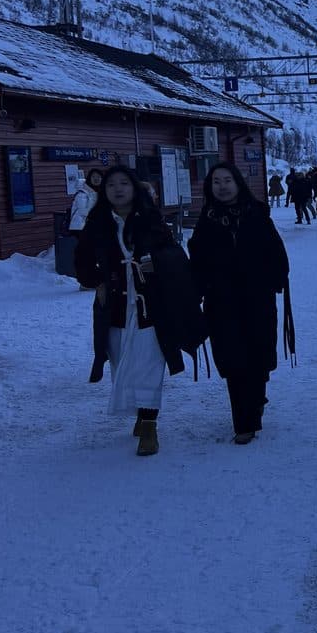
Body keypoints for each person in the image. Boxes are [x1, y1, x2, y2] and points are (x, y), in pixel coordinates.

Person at [74, 166, 204, 454]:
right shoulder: (97, 223)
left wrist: (155, 263)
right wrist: (97, 281)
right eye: (111, 186)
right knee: (122, 362)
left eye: (124, 184)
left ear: (134, 188)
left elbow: (173, 254)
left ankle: (149, 425)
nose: (118, 190)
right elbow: (81, 261)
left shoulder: (150, 219)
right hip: (117, 306)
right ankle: (139, 412)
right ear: (103, 192)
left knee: (148, 363)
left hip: (150, 304)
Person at [189, 161, 293, 446]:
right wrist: (198, 290)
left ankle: (257, 396)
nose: (222, 186)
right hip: (221, 303)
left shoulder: (257, 215)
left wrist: (275, 279)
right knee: (233, 360)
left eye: (227, 180)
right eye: (216, 182)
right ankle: (244, 423)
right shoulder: (206, 222)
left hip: (257, 300)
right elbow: (196, 262)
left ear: (238, 184)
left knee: (259, 357)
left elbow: (276, 252)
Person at [68, 166, 104, 232]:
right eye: (93, 177)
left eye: (98, 177)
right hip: (81, 227)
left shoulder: (101, 192)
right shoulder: (83, 193)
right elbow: (83, 211)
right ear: (89, 178)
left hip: (93, 226)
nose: (96, 179)